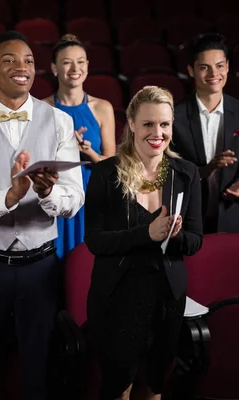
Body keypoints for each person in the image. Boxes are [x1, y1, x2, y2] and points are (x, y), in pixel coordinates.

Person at [0, 31, 84, 400]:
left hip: (41, 266)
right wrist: (9, 196)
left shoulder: (59, 122)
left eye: (27, 60)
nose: (21, 67)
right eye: (9, 60)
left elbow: (74, 198)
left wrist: (46, 192)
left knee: (39, 372)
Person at [85, 86, 203, 400]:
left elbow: (195, 241)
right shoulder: (105, 174)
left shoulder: (187, 173)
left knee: (155, 384)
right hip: (117, 296)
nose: (157, 132)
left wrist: (176, 236)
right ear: (133, 124)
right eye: (149, 124)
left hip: (167, 297)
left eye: (164, 124)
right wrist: (146, 234)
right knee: (118, 386)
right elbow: (95, 241)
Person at [172, 33, 239, 233]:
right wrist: (205, 170)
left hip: (229, 216)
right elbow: (167, 171)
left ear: (227, 66)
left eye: (219, 66)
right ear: (191, 71)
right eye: (204, 67)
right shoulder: (174, 115)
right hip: (185, 218)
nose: (214, 73)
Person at [43, 34, 116, 259]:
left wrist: (89, 152)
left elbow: (112, 162)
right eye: (67, 62)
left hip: (92, 194)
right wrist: (65, 147)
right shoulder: (42, 109)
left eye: (81, 61)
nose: (75, 68)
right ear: (54, 68)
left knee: (88, 263)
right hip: (57, 192)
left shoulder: (103, 107)